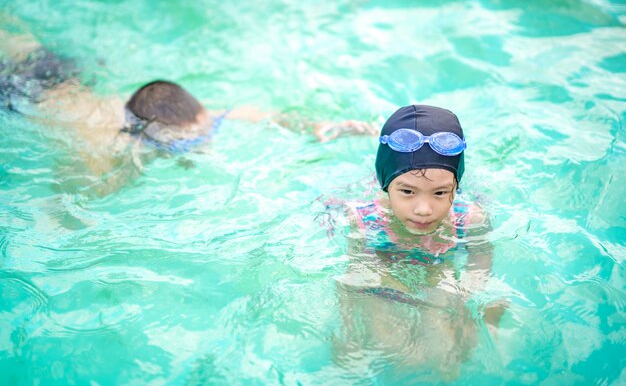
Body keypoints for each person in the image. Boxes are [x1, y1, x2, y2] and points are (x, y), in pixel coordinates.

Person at [1, 29, 376, 195]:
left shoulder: (194, 117)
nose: (206, 144)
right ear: (147, 135)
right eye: (187, 144)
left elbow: (268, 116)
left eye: (206, 132)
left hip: (65, 72)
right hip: (21, 96)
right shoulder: (112, 145)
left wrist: (324, 126)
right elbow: (69, 190)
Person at [323, 105, 506, 381]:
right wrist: (350, 332)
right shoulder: (362, 219)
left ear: (456, 186)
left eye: (440, 192)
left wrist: (466, 302)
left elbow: (480, 264)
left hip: (441, 266)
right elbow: (355, 282)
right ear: (386, 185)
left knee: (452, 357)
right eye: (407, 191)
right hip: (385, 272)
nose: (423, 208)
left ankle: (488, 318)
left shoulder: (470, 218)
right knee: (401, 356)